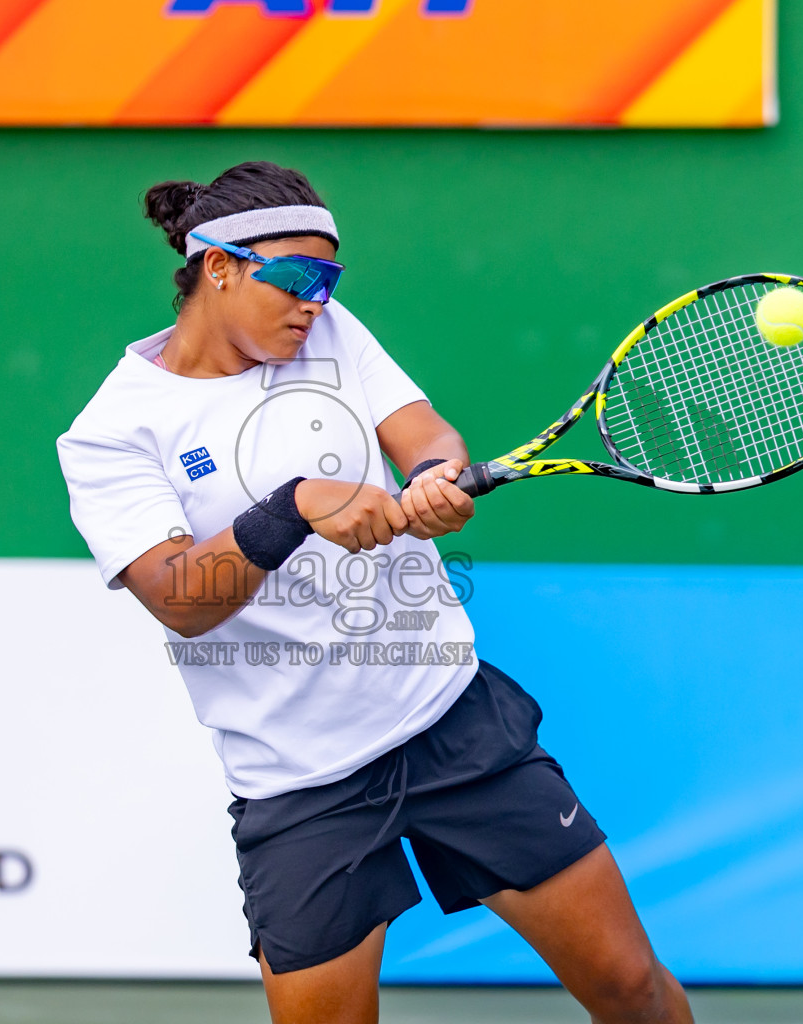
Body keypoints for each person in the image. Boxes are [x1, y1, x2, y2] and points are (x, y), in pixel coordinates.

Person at [56, 160, 693, 1024]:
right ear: (219, 266)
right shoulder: (112, 433)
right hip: (299, 782)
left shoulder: (326, 333)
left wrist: (434, 478)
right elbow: (179, 598)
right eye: (295, 278)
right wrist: (294, 507)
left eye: (330, 280)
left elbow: (427, 435)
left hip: (450, 723)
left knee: (631, 989)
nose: (314, 301)